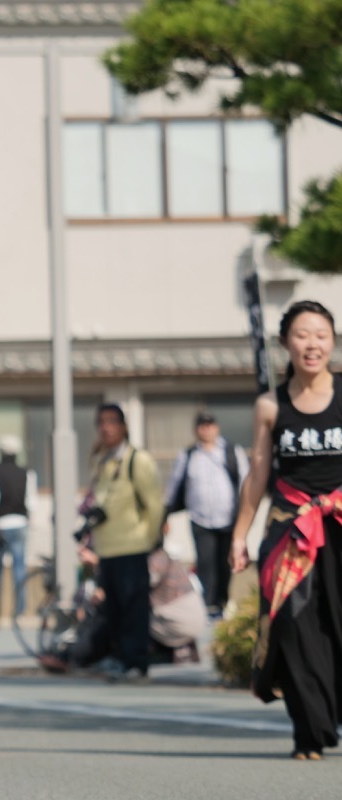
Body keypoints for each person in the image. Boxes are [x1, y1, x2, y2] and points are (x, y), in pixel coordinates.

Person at [231, 299, 342, 761]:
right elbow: (258, 473)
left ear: (332, 341)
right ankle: (308, 733)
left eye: (320, 334)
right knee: (294, 629)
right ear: (285, 343)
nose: (311, 344)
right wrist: (240, 534)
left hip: (338, 521)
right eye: (301, 334)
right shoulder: (269, 405)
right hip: (290, 529)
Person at [81, 403, 164, 683]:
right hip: (107, 548)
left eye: (112, 422)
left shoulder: (136, 459)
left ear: (124, 426)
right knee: (113, 609)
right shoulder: (102, 460)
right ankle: (119, 659)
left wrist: (147, 539)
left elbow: (154, 505)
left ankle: (136, 663)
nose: (106, 428)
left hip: (132, 546)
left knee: (134, 609)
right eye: (101, 422)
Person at [40, 542, 207, 674]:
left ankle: (72, 657)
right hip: (181, 619)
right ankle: (75, 655)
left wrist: (99, 566)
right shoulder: (162, 556)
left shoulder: (155, 560)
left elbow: (131, 588)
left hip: (174, 620)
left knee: (109, 613)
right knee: (113, 608)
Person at [162, 411, 248, 618]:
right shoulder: (189, 454)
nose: (206, 429)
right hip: (200, 519)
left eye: (210, 425)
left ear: (216, 427)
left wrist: (245, 517)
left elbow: (246, 482)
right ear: (196, 429)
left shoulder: (231, 451)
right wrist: (165, 515)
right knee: (205, 563)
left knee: (225, 563)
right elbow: (174, 486)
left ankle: (223, 602)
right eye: (202, 425)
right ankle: (207, 606)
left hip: (228, 519)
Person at [0, 434, 36, 626]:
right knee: (19, 569)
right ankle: (20, 612)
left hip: (0, 525)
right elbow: (31, 502)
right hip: (21, 523)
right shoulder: (27, 472)